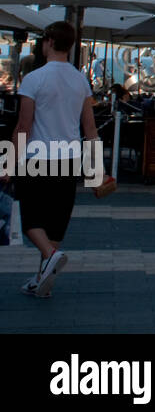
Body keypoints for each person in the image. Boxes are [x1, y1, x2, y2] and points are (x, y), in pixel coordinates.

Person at [6, 21, 98, 298]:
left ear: (47, 42)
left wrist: (8, 163)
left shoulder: (34, 78)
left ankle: (48, 255)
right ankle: (41, 280)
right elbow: (90, 129)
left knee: (32, 219)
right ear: (70, 45)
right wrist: (95, 173)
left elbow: (24, 127)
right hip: (69, 158)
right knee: (56, 221)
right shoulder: (81, 80)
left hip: (38, 157)